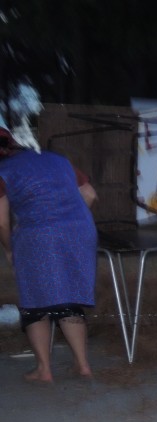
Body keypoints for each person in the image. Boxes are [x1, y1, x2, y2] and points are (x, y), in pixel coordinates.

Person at [0, 127, 98, 383]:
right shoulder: (56, 159)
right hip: (80, 230)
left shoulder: (3, 171)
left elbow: (1, 222)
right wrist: (68, 221)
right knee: (68, 297)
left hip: (38, 235)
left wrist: (9, 249)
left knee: (35, 302)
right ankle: (83, 365)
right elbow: (89, 194)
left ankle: (44, 369)